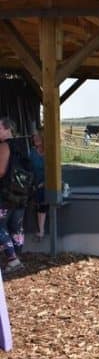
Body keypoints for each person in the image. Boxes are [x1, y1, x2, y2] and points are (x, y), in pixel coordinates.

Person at [0, 117, 25, 274]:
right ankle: (18, 258)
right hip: (21, 193)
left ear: (7, 128)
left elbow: (1, 171)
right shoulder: (22, 146)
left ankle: (13, 260)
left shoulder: (4, 146)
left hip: (5, 194)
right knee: (16, 227)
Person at [29, 128, 47, 240]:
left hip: (47, 183)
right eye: (34, 137)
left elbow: (53, 171)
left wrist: (45, 183)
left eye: (37, 136)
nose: (35, 139)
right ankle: (40, 229)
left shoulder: (50, 152)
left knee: (42, 196)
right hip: (35, 183)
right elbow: (29, 169)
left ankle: (41, 230)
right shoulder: (32, 152)